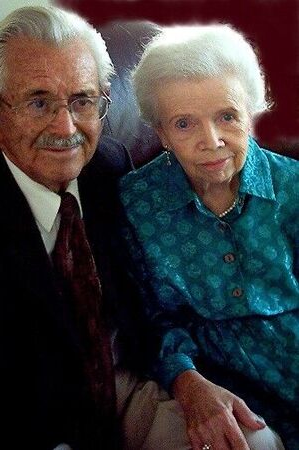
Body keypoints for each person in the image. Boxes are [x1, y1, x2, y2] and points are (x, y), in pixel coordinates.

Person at [0, 6, 194, 450]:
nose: (66, 128)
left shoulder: (111, 165)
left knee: (252, 440)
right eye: (39, 102)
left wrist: (188, 379)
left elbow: (142, 299)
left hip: (121, 383)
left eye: (82, 100)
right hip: (22, 416)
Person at [118, 23, 299, 450]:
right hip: (217, 375)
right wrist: (187, 381)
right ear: (160, 133)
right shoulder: (135, 204)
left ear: (251, 112)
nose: (211, 141)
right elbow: (151, 320)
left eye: (227, 116)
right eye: (184, 124)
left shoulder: (292, 187)